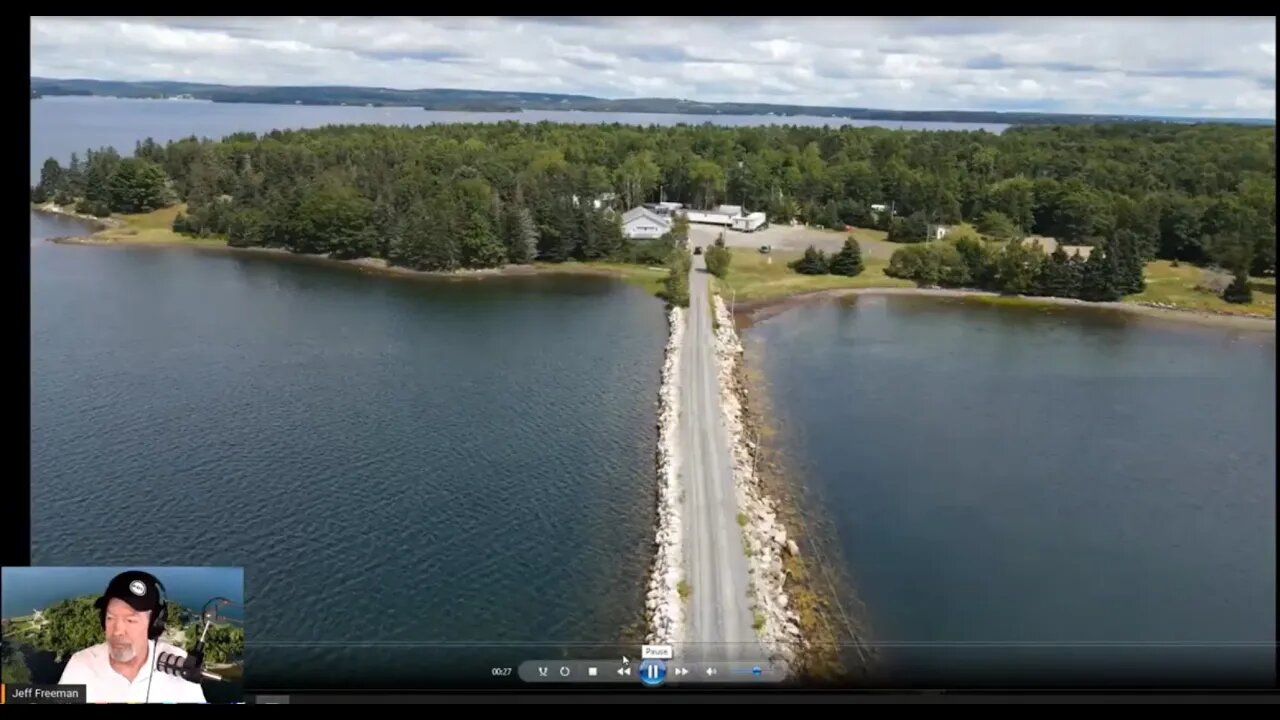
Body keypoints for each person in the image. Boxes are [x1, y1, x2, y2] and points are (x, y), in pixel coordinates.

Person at [58, 570, 207, 703]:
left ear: (155, 624)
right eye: (110, 618)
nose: (118, 631)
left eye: (130, 620)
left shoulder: (179, 663)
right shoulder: (81, 664)